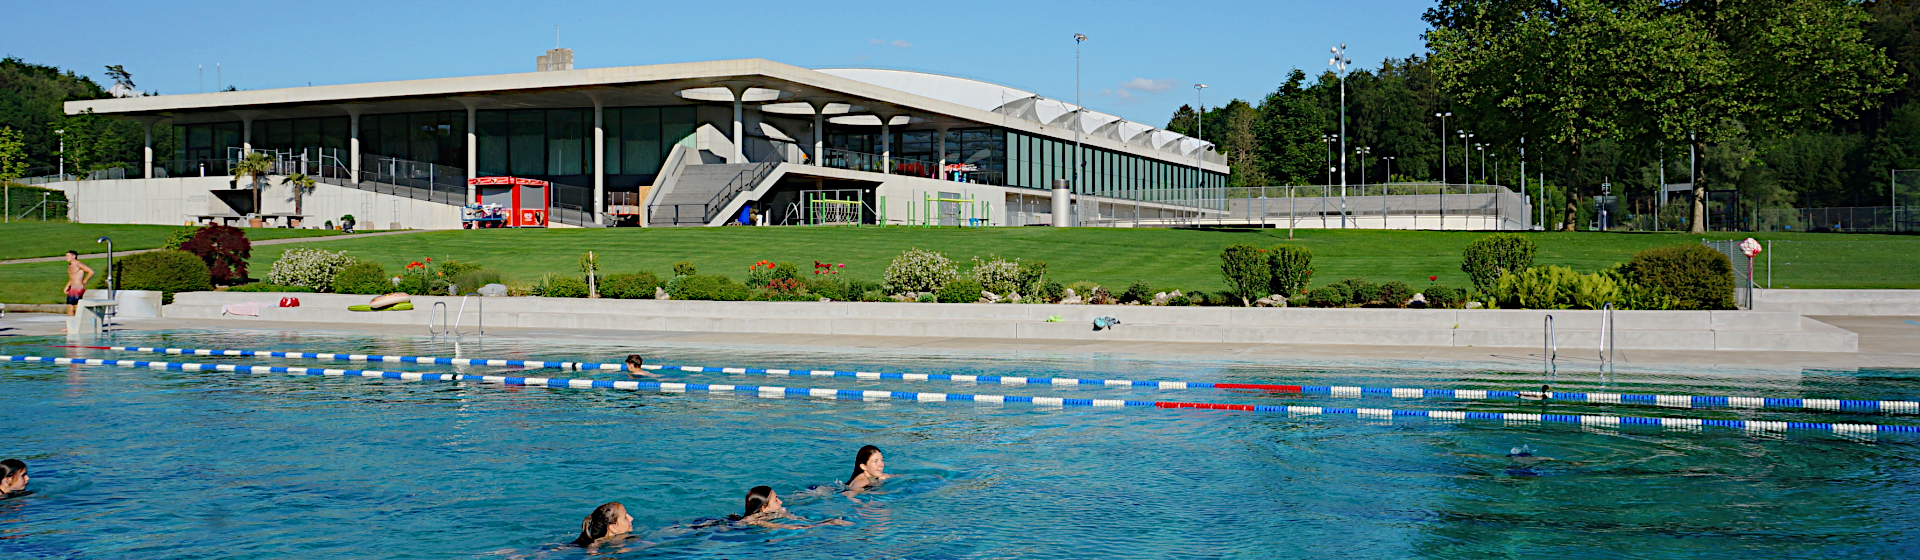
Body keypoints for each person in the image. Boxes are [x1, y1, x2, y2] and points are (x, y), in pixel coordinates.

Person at [728, 486, 850, 529]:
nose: (780, 502)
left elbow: (797, 520)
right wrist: (828, 523)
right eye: (776, 500)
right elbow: (790, 527)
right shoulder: (756, 521)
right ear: (764, 508)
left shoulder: (764, 515)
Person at [63, 251, 95, 316]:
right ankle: (71, 324)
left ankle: (78, 323)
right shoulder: (70, 265)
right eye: (66, 256)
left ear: (74, 256)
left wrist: (85, 281)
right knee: (69, 307)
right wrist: (67, 286)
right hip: (72, 288)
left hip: (78, 288)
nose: (66, 257)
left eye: (68, 256)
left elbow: (91, 272)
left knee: (76, 307)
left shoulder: (78, 264)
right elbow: (72, 277)